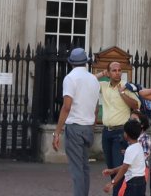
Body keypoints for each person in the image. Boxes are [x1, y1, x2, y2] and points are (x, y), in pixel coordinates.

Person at [54, 47, 101, 196]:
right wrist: (92, 128)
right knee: (85, 167)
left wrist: (57, 132)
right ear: (86, 62)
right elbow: (95, 109)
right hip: (88, 127)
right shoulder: (94, 79)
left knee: (76, 169)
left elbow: (66, 107)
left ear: (71, 63)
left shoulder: (70, 78)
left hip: (75, 126)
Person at [96, 61, 140, 170]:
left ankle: (117, 187)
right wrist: (102, 74)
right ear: (109, 73)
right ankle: (115, 185)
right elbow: (87, 81)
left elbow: (136, 105)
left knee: (118, 166)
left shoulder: (126, 86)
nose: (117, 73)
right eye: (114, 71)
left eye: (119, 70)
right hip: (106, 132)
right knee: (110, 167)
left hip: (120, 133)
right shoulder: (104, 86)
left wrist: (122, 94)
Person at [103, 119, 148, 196]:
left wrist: (112, 183)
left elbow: (124, 168)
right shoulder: (139, 147)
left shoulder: (130, 149)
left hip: (133, 183)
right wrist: (113, 170)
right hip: (141, 181)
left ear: (126, 135)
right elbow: (127, 165)